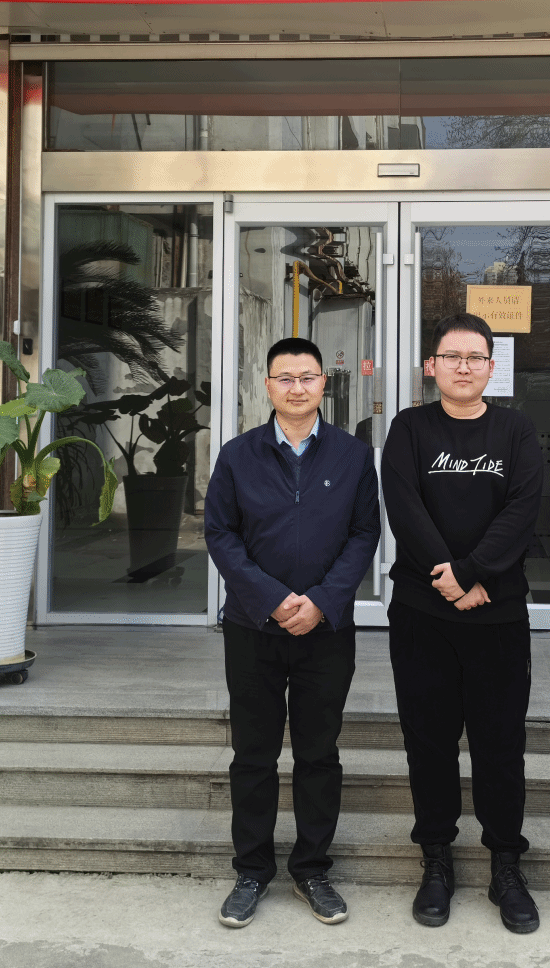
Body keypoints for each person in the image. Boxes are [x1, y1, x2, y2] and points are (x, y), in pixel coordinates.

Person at [205, 337, 380, 929]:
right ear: (268, 385)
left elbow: (364, 534)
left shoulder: (353, 456)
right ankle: (252, 870)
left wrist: (323, 602)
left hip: (326, 631)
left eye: (307, 377)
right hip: (253, 627)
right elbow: (221, 535)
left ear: (323, 383)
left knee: (318, 753)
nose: (297, 387)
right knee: (253, 753)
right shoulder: (238, 455)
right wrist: (274, 600)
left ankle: (312, 869)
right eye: (285, 377)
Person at [381, 312, 544, 934]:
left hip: (497, 614)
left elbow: (522, 510)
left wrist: (474, 574)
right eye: (452, 357)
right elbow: (405, 508)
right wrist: (449, 579)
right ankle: (436, 860)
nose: (464, 367)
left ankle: (506, 864)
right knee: (429, 741)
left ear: (492, 367)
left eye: (476, 357)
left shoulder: (516, 430)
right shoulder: (409, 428)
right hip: (422, 613)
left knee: (500, 743)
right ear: (432, 366)